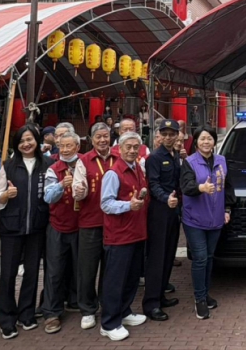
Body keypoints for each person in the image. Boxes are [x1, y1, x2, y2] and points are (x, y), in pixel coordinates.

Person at [0, 123, 49, 339]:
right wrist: (6, 196)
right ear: (17, 144)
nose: (26, 144)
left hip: (37, 225)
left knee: (33, 272)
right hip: (12, 226)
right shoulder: (7, 166)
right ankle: (6, 319)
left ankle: (27, 314)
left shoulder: (47, 164)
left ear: (37, 141)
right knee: (7, 274)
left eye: (30, 139)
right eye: (22, 141)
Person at [99, 131, 149, 341]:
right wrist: (129, 205)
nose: (131, 150)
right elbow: (106, 203)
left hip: (136, 232)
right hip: (119, 235)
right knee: (115, 280)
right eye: (127, 147)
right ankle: (109, 323)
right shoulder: (113, 173)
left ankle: (125, 311)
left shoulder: (136, 167)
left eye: (135, 147)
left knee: (131, 277)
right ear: (118, 149)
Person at [180, 126, 234, 320]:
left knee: (210, 257)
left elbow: (228, 188)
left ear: (214, 142)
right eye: (202, 139)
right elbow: (185, 187)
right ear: (196, 142)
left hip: (216, 218)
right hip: (194, 219)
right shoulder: (189, 162)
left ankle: (205, 292)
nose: (206, 142)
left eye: (209, 139)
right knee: (200, 258)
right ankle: (199, 299)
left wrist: (227, 209)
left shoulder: (221, 161)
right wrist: (200, 187)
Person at [73, 121, 117, 330]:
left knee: (110, 269)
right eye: (98, 137)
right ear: (91, 140)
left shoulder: (118, 158)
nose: (102, 140)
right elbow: (77, 190)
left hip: (114, 223)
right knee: (87, 268)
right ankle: (87, 309)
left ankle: (107, 305)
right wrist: (79, 191)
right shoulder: (83, 161)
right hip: (90, 222)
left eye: (105, 136)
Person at [41, 131, 82, 334]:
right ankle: (51, 312)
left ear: (77, 147)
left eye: (69, 146)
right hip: (58, 225)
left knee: (79, 267)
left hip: (82, 224)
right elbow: (47, 197)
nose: (65, 150)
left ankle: (76, 300)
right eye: (62, 146)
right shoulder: (53, 169)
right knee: (55, 270)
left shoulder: (85, 164)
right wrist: (61, 185)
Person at [143, 120, 182, 321]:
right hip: (159, 212)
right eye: (165, 134)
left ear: (177, 135)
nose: (168, 137)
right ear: (159, 135)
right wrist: (167, 198)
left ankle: (161, 295)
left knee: (168, 255)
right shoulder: (155, 158)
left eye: (172, 134)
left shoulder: (175, 156)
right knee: (157, 259)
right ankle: (151, 304)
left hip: (173, 213)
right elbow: (153, 184)